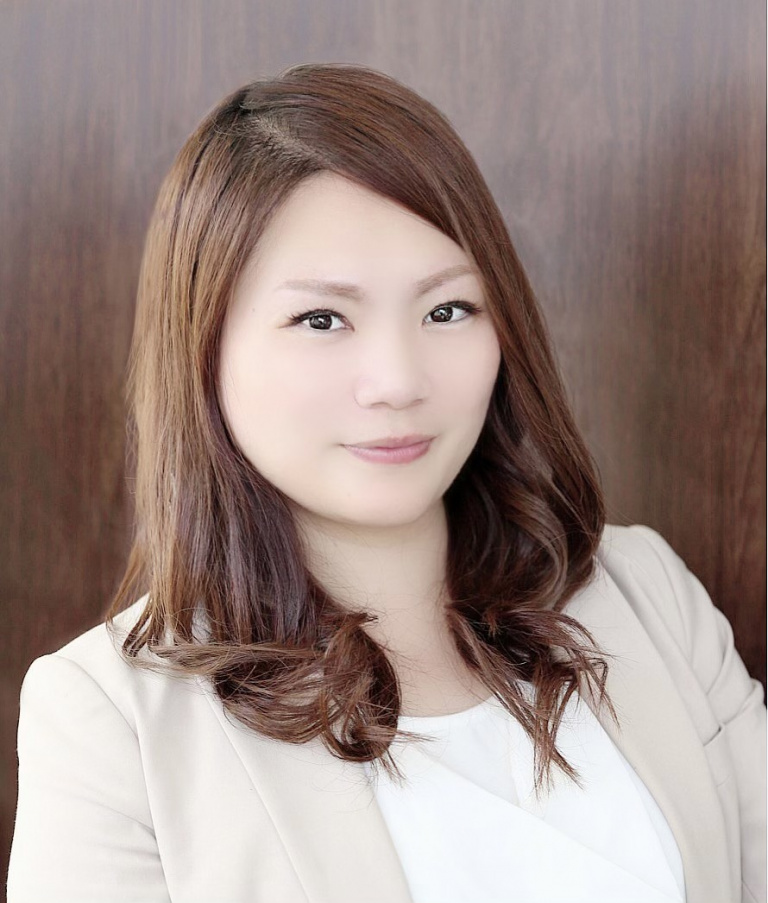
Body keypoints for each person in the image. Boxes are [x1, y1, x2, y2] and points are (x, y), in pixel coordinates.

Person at [7, 63, 765, 903]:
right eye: (322, 319)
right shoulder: (112, 722)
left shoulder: (646, 594)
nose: (398, 381)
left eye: (447, 310)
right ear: (205, 350)